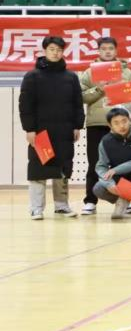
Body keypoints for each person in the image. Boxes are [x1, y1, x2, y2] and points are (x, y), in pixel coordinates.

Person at [19, 35, 84, 220]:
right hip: (41, 132)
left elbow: (77, 103)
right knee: (38, 169)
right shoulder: (32, 76)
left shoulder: (71, 77)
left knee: (63, 168)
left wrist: (77, 126)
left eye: (59, 50)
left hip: (64, 131)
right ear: (44, 51)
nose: (56, 53)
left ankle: (62, 206)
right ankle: (36, 208)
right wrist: (29, 129)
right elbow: (25, 105)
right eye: (52, 49)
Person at [78, 36, 131, 215]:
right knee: (95, 163)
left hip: (121, 126)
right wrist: (99, 88)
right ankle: (90, 201)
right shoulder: (89, 72)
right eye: (104, 49)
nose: (107, 52)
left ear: (116, 51)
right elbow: (81, 96)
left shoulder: (126, 72)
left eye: (111, 48)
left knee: (123, 164)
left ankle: (125, 201)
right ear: (98, 51)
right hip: (97, 123)